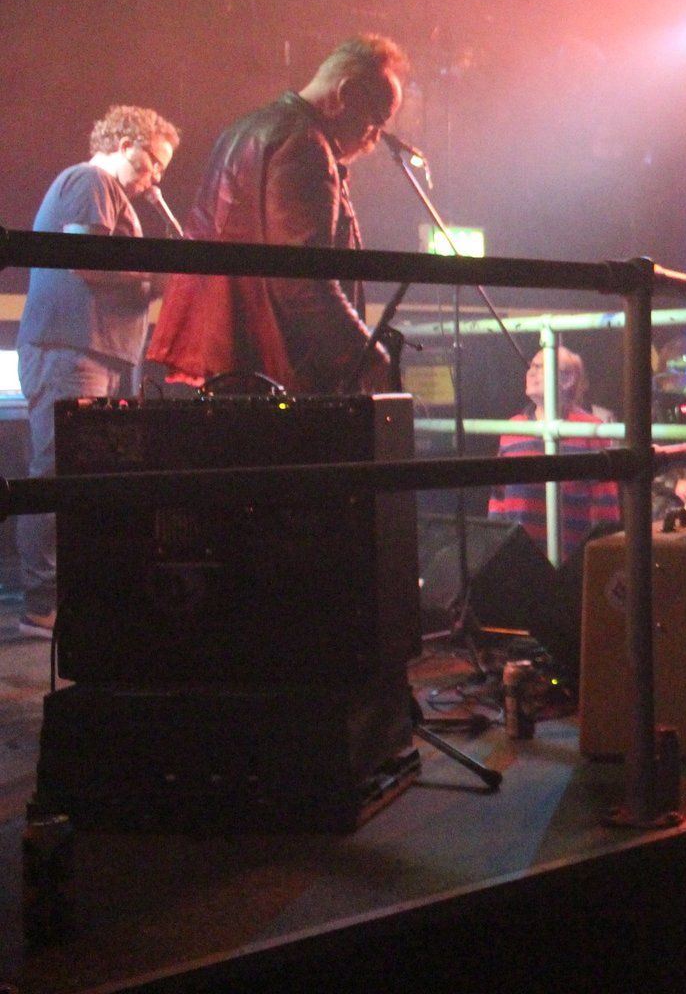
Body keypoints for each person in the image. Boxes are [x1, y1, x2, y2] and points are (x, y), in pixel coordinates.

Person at [150, 35, 409, 395]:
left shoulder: (245, 129)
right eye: (376, 119)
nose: (375, 138)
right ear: (344, 95)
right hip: (277, 370)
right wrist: (367, 358)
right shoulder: (305, 145)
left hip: (233, 357)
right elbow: (303, 280)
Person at [14, 105, 180, 637]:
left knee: (89, 478)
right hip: (72, 350)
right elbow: (87, 262)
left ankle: (75, 597)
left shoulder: (111, 197)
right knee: (59, 475)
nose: (155, 179)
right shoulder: (91, 180)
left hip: (98, 353)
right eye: (153, 162)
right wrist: (160, 278)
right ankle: (42, 607)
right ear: (127, 141)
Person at [487, 345, 622, 567]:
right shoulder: (512, 428)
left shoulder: (592, 429)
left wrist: (602, 560)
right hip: (518, 560)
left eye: (539, 367)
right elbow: (498, 498)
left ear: (567, 379)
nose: (530, 372)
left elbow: (606, 506)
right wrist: (495, 546)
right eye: (531, 366)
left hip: (573, 561)